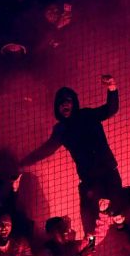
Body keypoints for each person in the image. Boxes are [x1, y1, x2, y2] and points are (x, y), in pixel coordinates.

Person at [20, 75, 120, 237]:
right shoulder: (61, 129)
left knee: (117, 217)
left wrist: (112, 87)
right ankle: (91, 251)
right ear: (56, 108)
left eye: (68, 100)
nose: (64, 104)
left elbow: (111, 109)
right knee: (91, 227)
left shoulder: (87, 115)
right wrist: (23, 163)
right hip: (89, 182)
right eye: (60, 102)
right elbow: (47, 150)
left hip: (109, 174)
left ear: (74, 103)